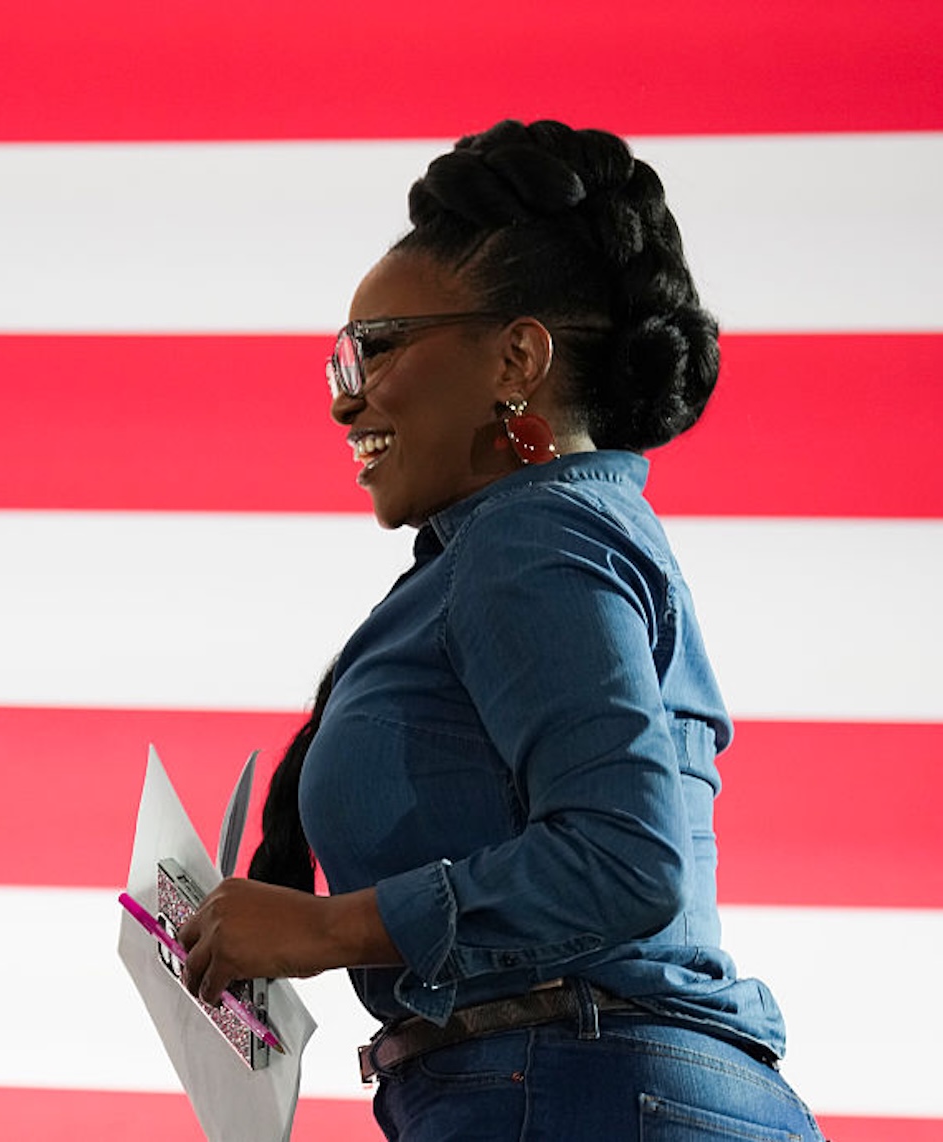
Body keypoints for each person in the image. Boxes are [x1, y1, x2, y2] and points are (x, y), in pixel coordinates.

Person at [176, 119, 825, 1140]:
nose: (348, 403)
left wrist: (327, 926)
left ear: (517, 355)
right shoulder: (531, 538)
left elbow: (625, 857)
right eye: (339, 363)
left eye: (374, 351)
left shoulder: (535, 536)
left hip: (577, 1090)